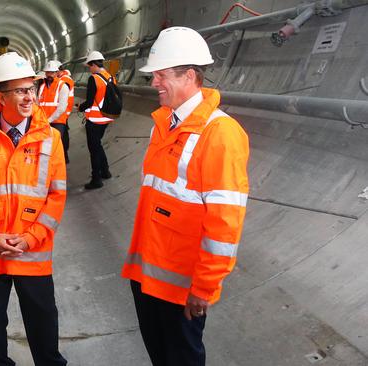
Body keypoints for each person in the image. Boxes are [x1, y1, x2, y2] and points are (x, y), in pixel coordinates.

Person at [121, 26, 250, 366]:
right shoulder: (163, 125)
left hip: (180, 287)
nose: (153, 84)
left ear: (190, 76)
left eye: (161, 75)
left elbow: (225, 225)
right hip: (148, 274)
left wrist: (204, 288)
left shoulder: (221, 134)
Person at [0, 52, 67, 366]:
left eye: (31, 89)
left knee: (43, 321)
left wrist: (31, 238)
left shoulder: (51, 139)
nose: (29, 97)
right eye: (20, 91)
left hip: (32, 249)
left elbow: (57, 197)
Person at [78, 50, 115, 190]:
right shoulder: (110, 77)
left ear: (94, 64)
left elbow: (89, 101)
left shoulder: (94, 78)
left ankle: (96, 179)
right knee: (98, 145)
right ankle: (105, 171)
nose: (89, 68)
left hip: (94, 120)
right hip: (106, 118)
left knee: (94, 149)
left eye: (89, 66)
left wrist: (80, 107)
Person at [37, 61, 70, 164]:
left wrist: (49, 120)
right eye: (47, 72)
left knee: (56, 145)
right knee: (44, 145)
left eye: (52, 72)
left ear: (56, 73)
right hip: (44, 121)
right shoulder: (42, 86)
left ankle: (59, 164)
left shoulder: (63, 86)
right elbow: (38, 104)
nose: (49, 75)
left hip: (57, 121)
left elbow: (62, 107)